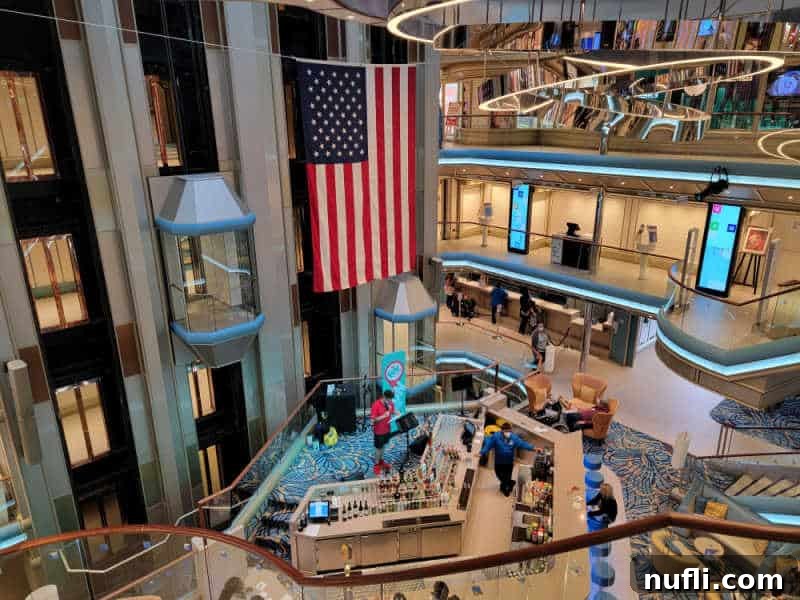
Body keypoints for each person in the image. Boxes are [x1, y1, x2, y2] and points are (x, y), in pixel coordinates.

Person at [480, 422, 534, 496]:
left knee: (507, 476)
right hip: (499, 461)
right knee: (499, 474)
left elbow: (523, 444)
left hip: (509, 462)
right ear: (502, 431)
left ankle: (506, 489)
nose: (508, 433)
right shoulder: (496, 436)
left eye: (509, 431)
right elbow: (488, 445)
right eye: (506, 431)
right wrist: (481, 452)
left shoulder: (514, 437)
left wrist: (533, 448)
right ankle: (509, 483)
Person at [371, 389, 398, 474]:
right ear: (385, 398)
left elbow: (393, 411)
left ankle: (381, 461)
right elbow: (373, 420)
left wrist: (398, 413)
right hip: (378, 431)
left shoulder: (390, 404)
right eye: (390, 400)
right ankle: (376, 464)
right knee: (378, 448)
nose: (391, 401)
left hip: (387, 429)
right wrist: (383, 416)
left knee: (383, 446)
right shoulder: (376, 405)